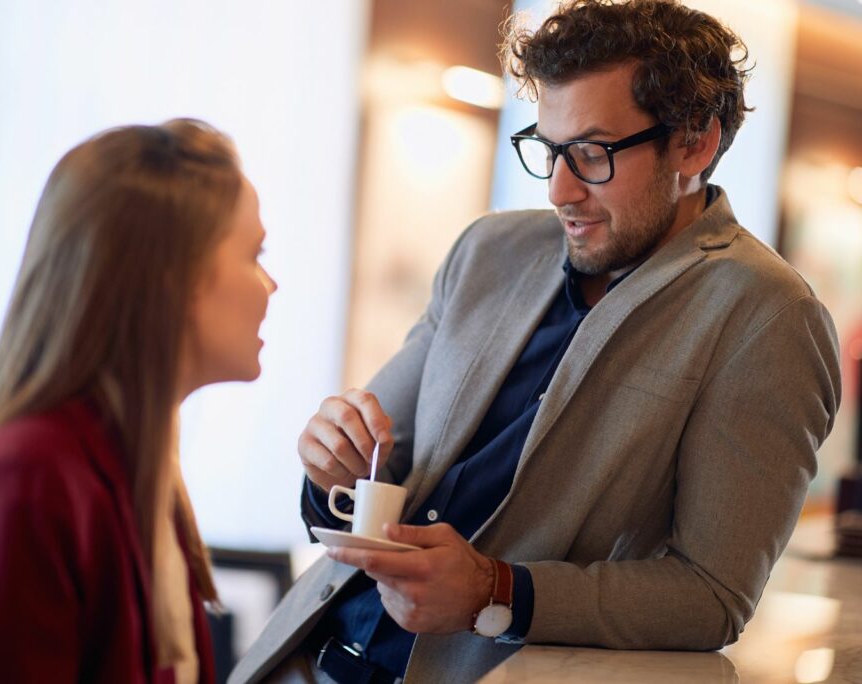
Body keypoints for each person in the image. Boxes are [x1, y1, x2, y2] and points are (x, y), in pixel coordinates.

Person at [231, 1, 842, 682]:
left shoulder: (767, 316)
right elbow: (380, 465)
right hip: (304, 656)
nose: (558, 190)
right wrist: (330, 469)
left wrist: (498, 591)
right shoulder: (487, 251)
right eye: (549, 150)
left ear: (694, 144)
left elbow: (711, 595)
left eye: (592, 153)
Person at [0, 118, 277, 683]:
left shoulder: (142, 481)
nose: (271, 285)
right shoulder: (26, 485)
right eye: (255, 254)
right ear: (174, 277)